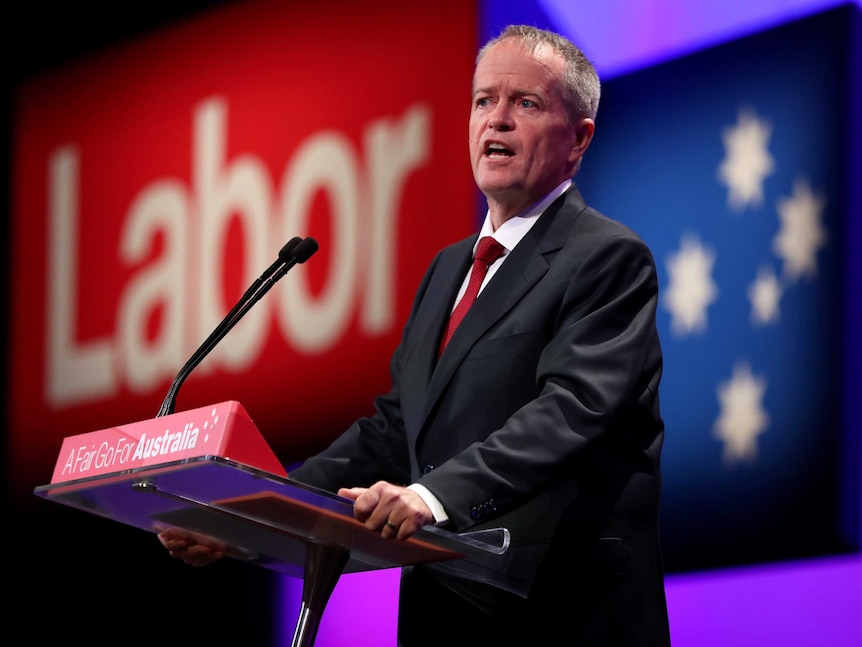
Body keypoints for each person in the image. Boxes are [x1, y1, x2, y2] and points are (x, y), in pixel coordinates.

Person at [159, 24, 671, 646]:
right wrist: (249, 515)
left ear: (579, 138)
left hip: (561, 611)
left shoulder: (606, 257)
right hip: (447, 610)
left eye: (526, 104)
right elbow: (395, 429)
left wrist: (431, 496)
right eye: (484, 101)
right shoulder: (448, 269)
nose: (497, 121)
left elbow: (571, 411)